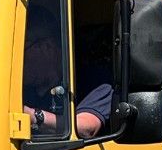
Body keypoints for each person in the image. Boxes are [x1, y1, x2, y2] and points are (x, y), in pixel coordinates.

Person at [22, 11, 112, 139]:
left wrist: (33, 116)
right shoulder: (21, 91)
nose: (14, 58)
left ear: (46, 47)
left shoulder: (93, 80)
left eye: (22, 48)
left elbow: (86, 128)